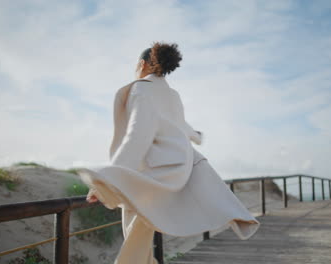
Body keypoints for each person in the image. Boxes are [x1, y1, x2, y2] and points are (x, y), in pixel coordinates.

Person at [79, 42, 260, 264]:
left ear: (142, 64)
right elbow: (180, 125)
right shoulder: (172, 94)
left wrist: (105, 180)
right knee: (140, 233)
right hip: (177, 169)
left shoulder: (142, 89)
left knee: (135, 230)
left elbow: (137, 136)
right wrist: (196, 135)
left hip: (152, 172)